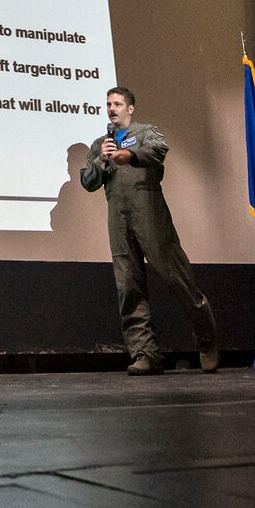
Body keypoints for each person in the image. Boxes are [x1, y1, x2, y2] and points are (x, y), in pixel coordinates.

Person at [80, 88, 220, 375]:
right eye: (108, 104)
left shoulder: (145, 132)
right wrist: (101, 161)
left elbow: (158, 151)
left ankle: (206, 340)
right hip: (118, 217)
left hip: (148, 209)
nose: (112, 108)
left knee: (176, 276)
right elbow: (88, 182)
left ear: (130, 108)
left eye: (117, 104)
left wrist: (129, 155)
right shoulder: (99, 144)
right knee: (128, 286)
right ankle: (146, 354)